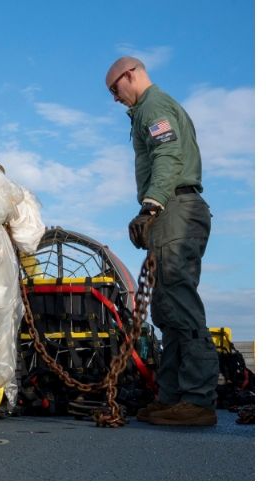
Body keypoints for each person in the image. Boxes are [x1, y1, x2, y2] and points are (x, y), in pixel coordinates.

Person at [105, 56, 218, 426]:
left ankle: (198, 400)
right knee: (166, 307)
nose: (115, 98)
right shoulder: (146, 112)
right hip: (172, 209)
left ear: (131, 74)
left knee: (180, 302)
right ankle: (172, 397)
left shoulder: (154, 105)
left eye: (114, 88)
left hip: (176, 208)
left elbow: (167, 154)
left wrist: (151, 207)